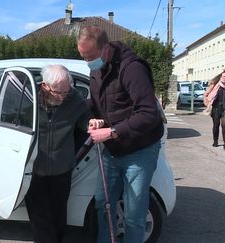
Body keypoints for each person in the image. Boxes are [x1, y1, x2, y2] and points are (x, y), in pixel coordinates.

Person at [77, 26, 164, 243]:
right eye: (82, 56)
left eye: (90, 56)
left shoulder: (132, 68)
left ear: (105, 48)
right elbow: (102, 106)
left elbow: (148, 114)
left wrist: (112, 131)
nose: (87, 61)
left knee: (134, 214)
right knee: (103, 204)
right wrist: (97, 118)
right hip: (113, 150)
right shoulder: (96, 70)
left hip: (139, 150)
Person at [25, 64, 89, 243]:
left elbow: (84, 120)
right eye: (57, 92)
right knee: (40, 218)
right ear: (44, 86)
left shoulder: (74, 97)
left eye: (65, 91)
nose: (62, 96)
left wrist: (91, 124)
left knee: (59, 214)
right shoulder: (29, 98)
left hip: (62, 169)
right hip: (34, 169)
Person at [203, 71, 225, 148]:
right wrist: (207, 101)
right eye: (224, 76)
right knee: (216, 125)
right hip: (216, 107)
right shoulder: (215, 84)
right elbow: (206, 94)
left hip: (224, 108)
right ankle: (215, 141)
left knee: (224, 125)